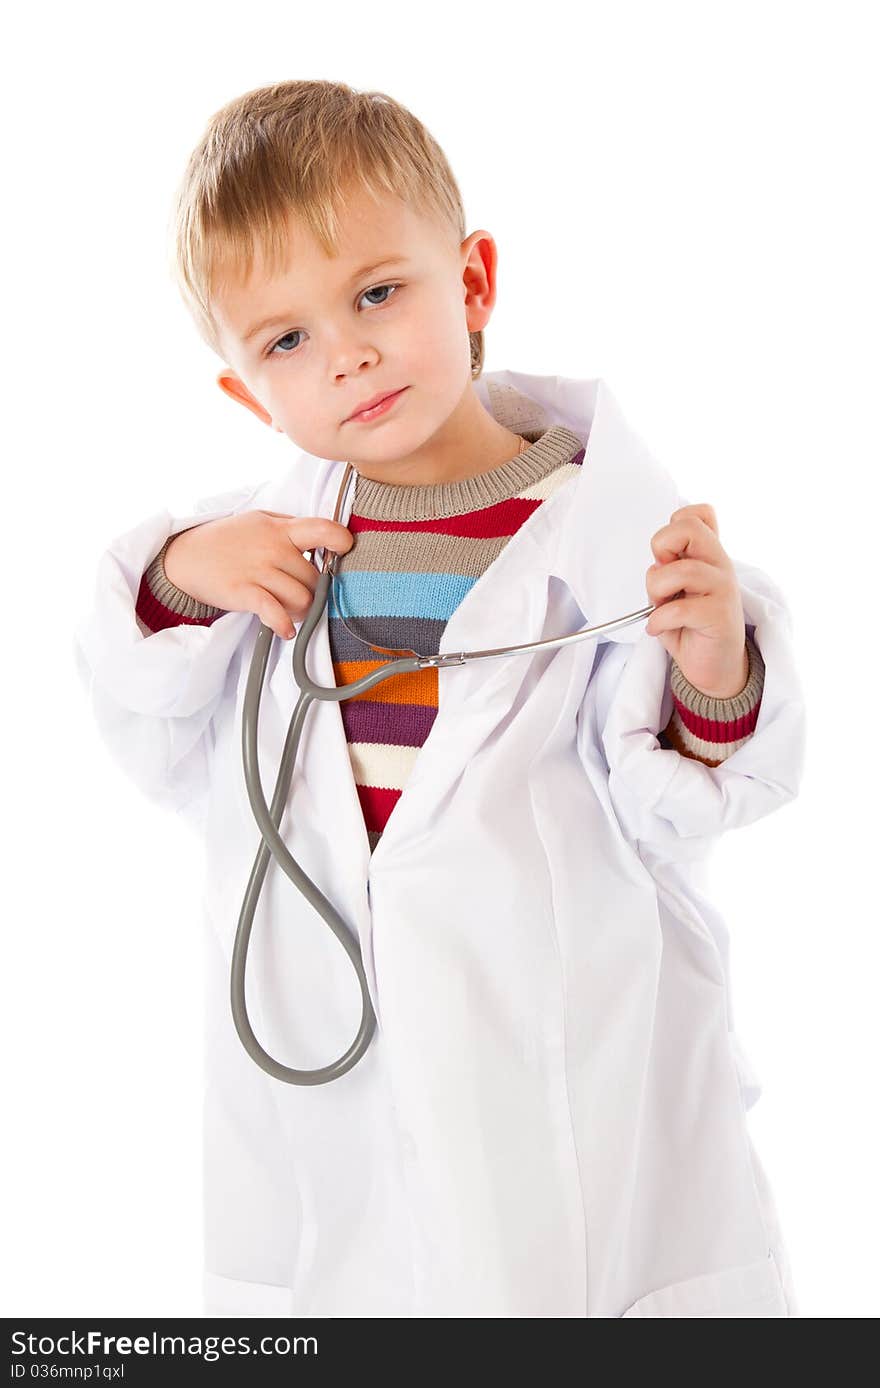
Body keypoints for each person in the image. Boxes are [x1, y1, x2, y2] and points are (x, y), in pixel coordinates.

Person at [73, 79, 806, 1318]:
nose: (347, 352)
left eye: (376, 293)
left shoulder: (615, 542)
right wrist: (177, 576)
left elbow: (687, 796)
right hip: (339, 1106)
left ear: (469, 283)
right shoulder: (258, 556)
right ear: (251, 395)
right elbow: (147, 720)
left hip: (574, 1081)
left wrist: (715, 662)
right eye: (286, 340)